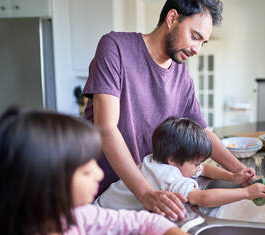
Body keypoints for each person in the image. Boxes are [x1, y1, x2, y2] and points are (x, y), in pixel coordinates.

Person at [82, 0, 256, 221]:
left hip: (147, 204)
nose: (197, 49)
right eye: (195, 36)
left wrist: (240, 172)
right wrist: (145, 193)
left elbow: (203, 131)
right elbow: (106, 128)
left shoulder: (181, 75)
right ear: (172, 19)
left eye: (203, 43)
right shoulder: (115, 47)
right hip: (103, 200)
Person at [0, 108, 210, 235]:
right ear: (46, 182)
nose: (99, 174)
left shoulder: (77, 218)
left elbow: (147, 221)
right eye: (86, 171)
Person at [96, 117, 265, 211]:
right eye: (195, 163)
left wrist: (232, 177)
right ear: (172, 160)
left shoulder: (158, 159)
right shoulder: (167, 176)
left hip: (101, 206)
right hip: (103, 221)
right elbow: (202, 198)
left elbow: (205, 169)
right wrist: (246, 192)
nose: (198, 167)